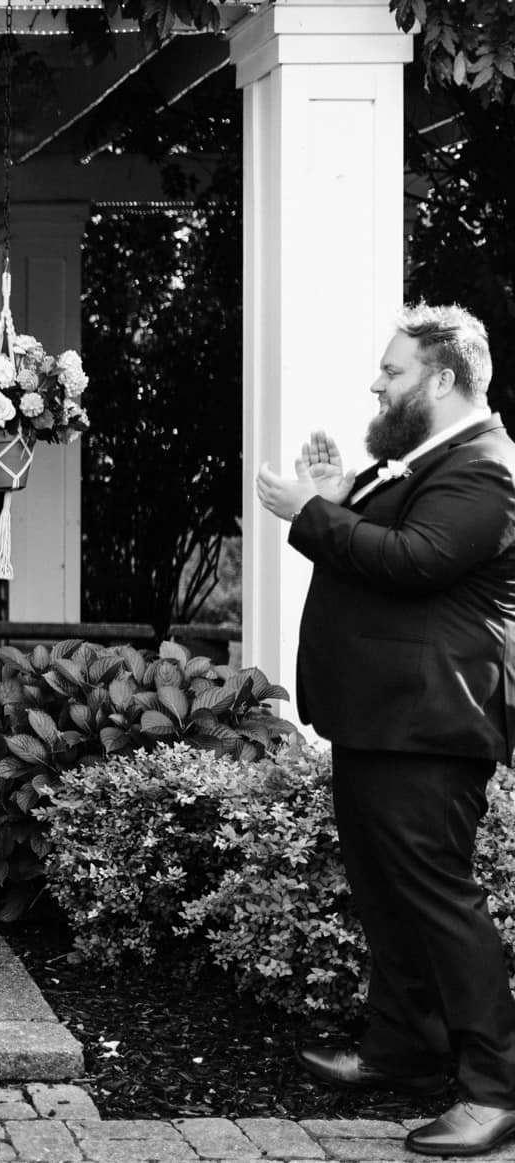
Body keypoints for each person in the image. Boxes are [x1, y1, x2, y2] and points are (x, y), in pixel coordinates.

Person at [255, 304, 515, 1157]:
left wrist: (311, 512)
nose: (377, 381)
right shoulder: (419, 460)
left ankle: (493, 1088)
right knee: (388, 898)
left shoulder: (484, 467)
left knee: (440, 903)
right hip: (380, 719)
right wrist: (335, 500)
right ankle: (405, 1046)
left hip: (431, 723)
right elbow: (376, 548)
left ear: (443, 378)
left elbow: (415, 562)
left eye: (393, 369)